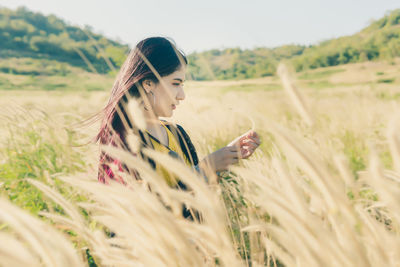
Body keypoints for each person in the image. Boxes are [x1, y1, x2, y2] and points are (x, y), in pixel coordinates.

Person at [96, 36, 261, 192]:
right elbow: (141, 212)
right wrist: (206, 168)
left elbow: (199, 197)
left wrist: (228, 155)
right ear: (148, 84)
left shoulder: (177, 133)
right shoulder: (124, 141)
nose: (182, 95)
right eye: (175, 83)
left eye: (182, 85)